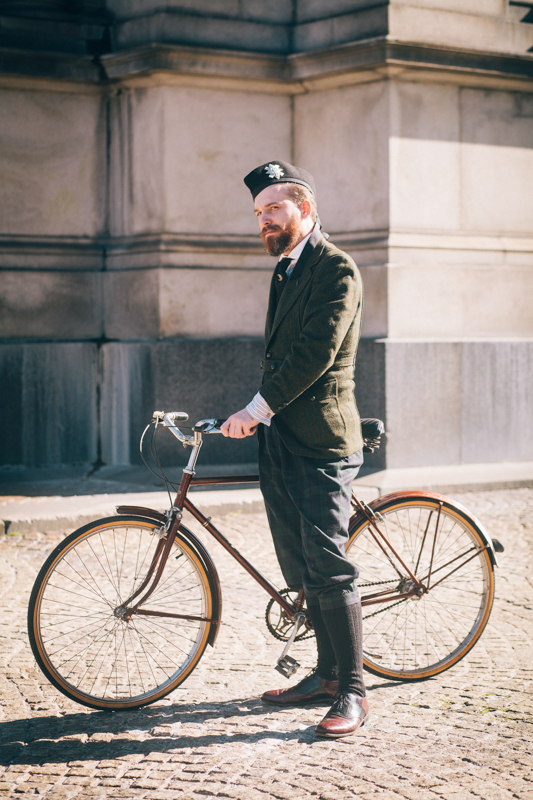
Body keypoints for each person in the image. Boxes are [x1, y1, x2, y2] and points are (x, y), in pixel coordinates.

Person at [221, 160, 368, 739]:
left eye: (274, 209)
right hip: (284, 438)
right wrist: (258, 413)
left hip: (323, 441)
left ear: (305, 209)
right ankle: (326, 674)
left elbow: (315, 353)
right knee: (302, 565)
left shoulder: (336, 268)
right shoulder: (287, 269)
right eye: (258, 214)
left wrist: (255, 409)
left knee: (329, 565)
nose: (264, 221)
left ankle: (354, 691)